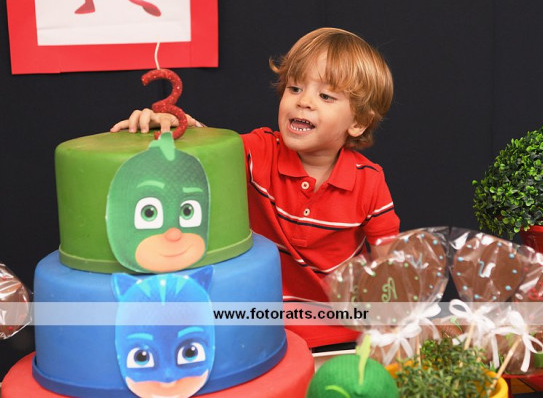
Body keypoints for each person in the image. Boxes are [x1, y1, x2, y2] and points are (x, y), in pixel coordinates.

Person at [111, 27, 400, 348]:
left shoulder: (369, 181)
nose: (304, 101)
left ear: (358, 122)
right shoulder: (259, 150)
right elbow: (209, 150)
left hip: (347, 333)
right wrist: (172, 125)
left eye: (326, 96)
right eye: (295, 88)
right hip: (263, 330)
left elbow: (387, 266)